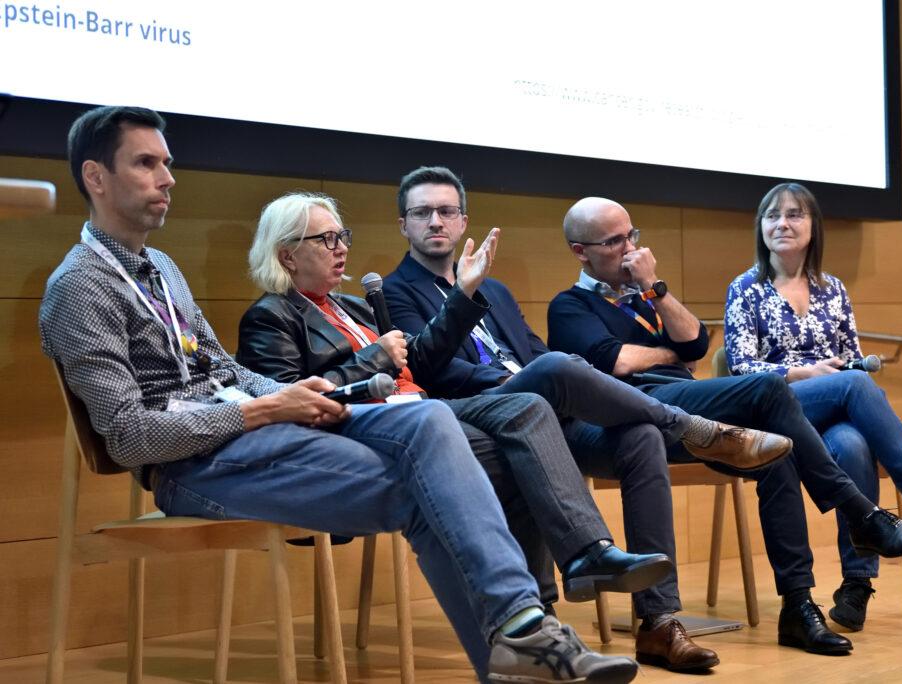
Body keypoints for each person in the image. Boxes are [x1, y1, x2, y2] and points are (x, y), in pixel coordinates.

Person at [38, 105, 642, 684]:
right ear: (96, 177)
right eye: (147, 163)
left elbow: (222, 370)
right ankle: (521, 642)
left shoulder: (161, 268)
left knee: (429, 419)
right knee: (430, 485)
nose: (168, 178)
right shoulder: (79, 288)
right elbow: (127, 436)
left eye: (166, 162)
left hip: (256, 428)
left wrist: (298, 393)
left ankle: (524, 635)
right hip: (192, 466)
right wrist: (269, 408)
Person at [382, 167, 801, 672]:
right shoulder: (395, 292)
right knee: (559, 369)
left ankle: (659, 622)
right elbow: (427, 368)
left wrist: (538, 368)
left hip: (546, 414)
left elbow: (534, 351)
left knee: (638, 433)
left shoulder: (495, 288)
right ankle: (690, 426)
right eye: (422, 213)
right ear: (403, 224)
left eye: (446, 211)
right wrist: (467, 302)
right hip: (484, 416)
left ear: (463, 219)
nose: (435, 222)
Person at [235, 190, 674, 617]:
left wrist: (463, 295)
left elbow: (420, 363)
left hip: (424, 408)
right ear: (288, 255)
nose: (341, 247)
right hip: (370, 429)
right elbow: (290, 401)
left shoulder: (355, 307)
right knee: (518, 436)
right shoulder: (271, 316)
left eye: (342, 235)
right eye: (326, 239)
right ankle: (546, 598)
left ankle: (573, 571)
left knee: (527, 406)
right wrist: (374, 359)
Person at [547, 195, 902, 654]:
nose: (631, 248)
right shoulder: (568, 305)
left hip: (692, 414)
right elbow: (615, 362)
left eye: (633, 235)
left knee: (777, 450)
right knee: (768, 390)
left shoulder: (646, 294)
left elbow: (695, 339)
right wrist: (673, 354)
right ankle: (864, 516)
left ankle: (798, 606)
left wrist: (654, 286)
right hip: (640, 411)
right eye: (615, 241)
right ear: (581, 251)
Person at [724, 181, 902, 630]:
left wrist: (842, 370)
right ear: (761, 227)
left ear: (813, 226)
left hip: (828, 412)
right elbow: (739, 369)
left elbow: (851, 358)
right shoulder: (746, 287)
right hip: (771, 407)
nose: (782, 223)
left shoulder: (833, 289)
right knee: (853, 385)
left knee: (852, 446)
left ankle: (856, 586)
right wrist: (804, 373)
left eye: (794, 214)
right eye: (772, 215)